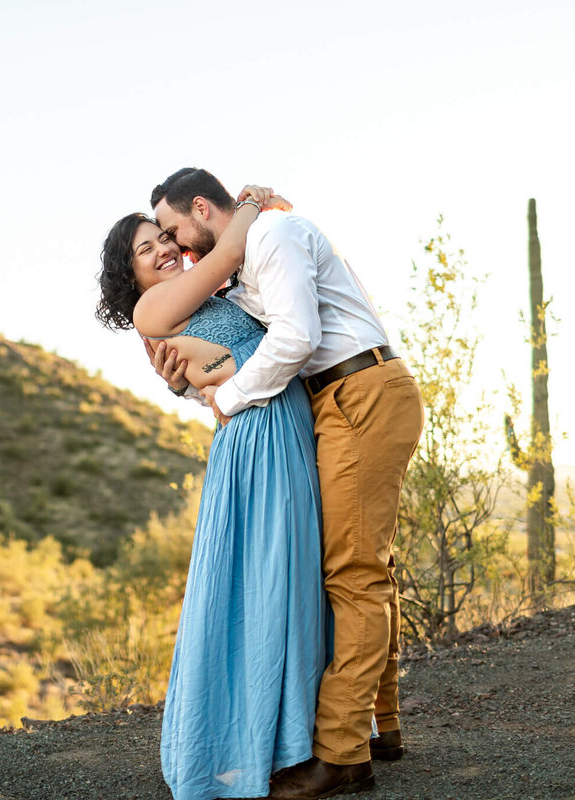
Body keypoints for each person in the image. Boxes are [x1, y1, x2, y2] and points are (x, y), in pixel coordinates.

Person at [147, 168, 424, 799]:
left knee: (352, 573)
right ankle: (382, 722)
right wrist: (190, 381)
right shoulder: (244, 265)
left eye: (172, 229)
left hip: (360, 391)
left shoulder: (273, 234)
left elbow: (297, 336)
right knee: (360, 562)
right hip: (334, 402)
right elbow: (239, 346)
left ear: (198, 207)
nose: (175, 245)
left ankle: (342, 756)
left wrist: (230, 399)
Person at [96, 188, 331, 800]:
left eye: (164, 238)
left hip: (281, 420)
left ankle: (299, 739)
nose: (165, 250)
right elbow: (227, 260)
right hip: (253, 434)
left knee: (295, 573)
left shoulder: (205, 291)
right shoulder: (155, 310)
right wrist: (251, 202)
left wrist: (214, 367)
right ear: (133, 276)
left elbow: (234, 345)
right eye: (147, 249)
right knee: (257, 579)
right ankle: (248, 746)